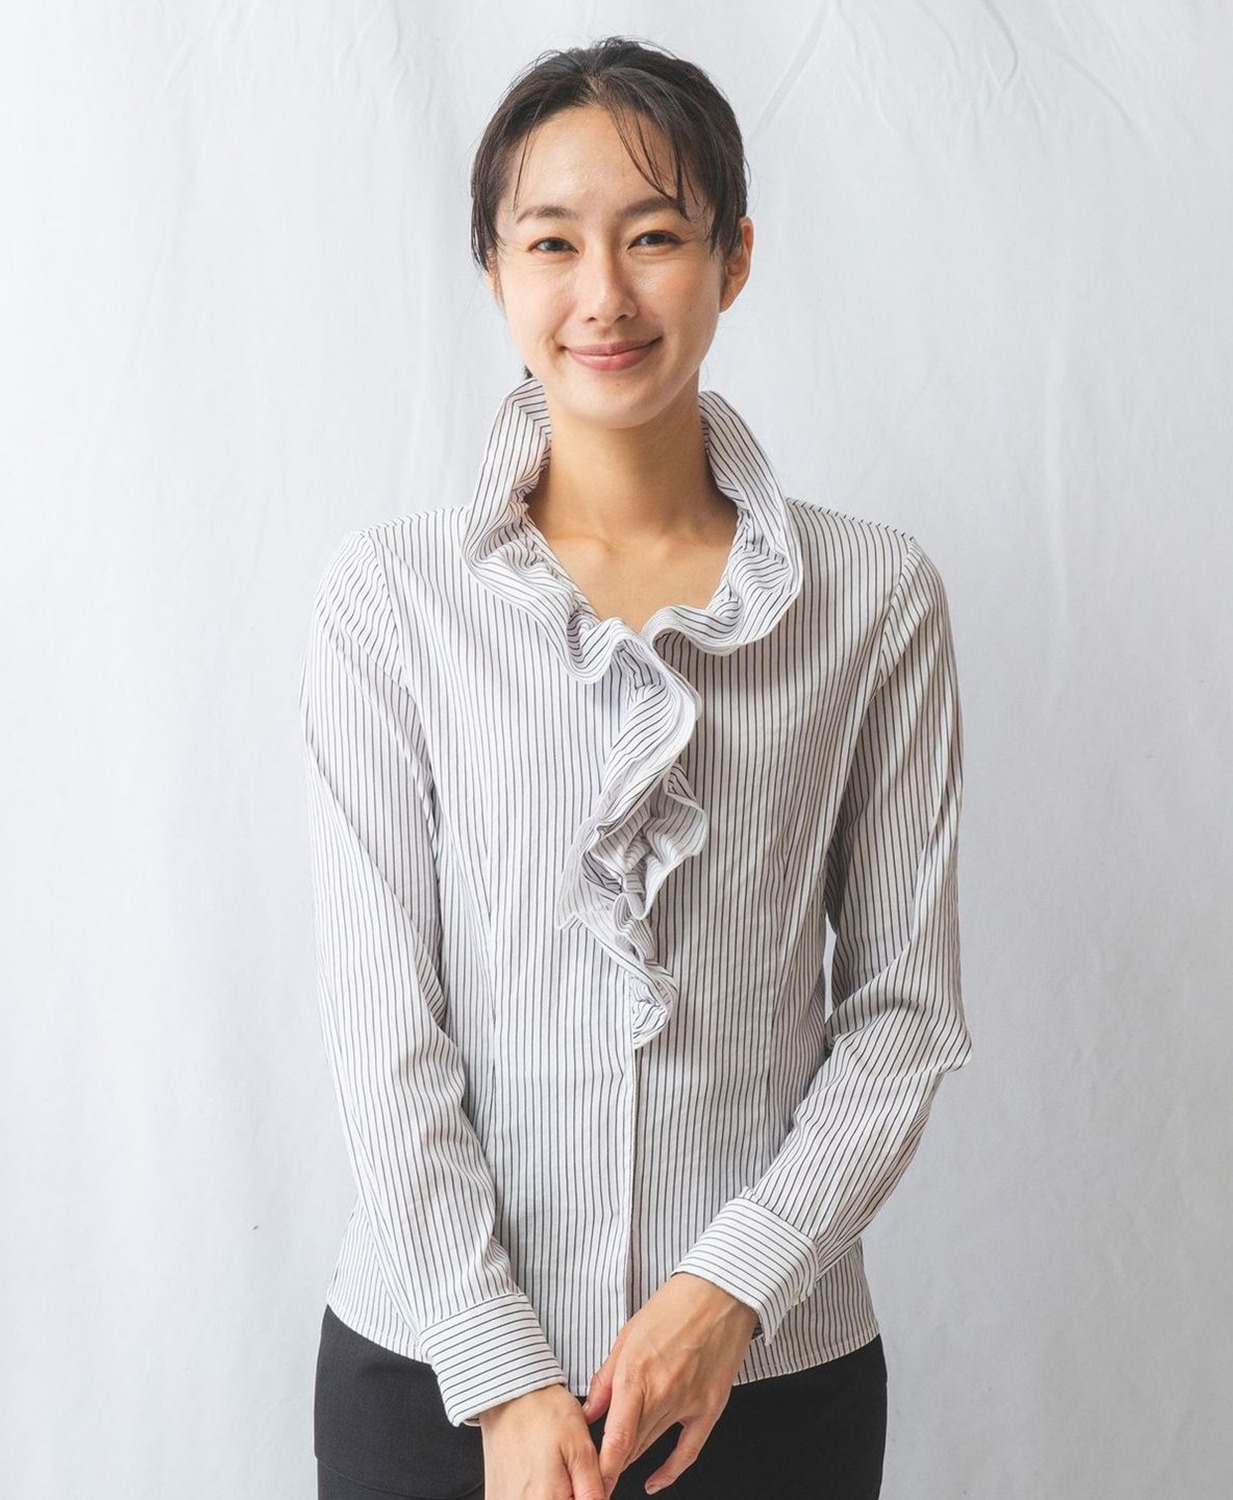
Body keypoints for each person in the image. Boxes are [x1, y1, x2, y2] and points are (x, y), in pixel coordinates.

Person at [300, 34, 972, 1500]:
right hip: (432, 1383)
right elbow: (380, 1019)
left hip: (767, 1383)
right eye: (553, 242)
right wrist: (499, 1371)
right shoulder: (392, 601)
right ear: (494, 270)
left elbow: (905, 1011)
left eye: (655, 236)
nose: (602, 294)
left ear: (735, 259)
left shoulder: (874, 600)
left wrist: (729, 1287)